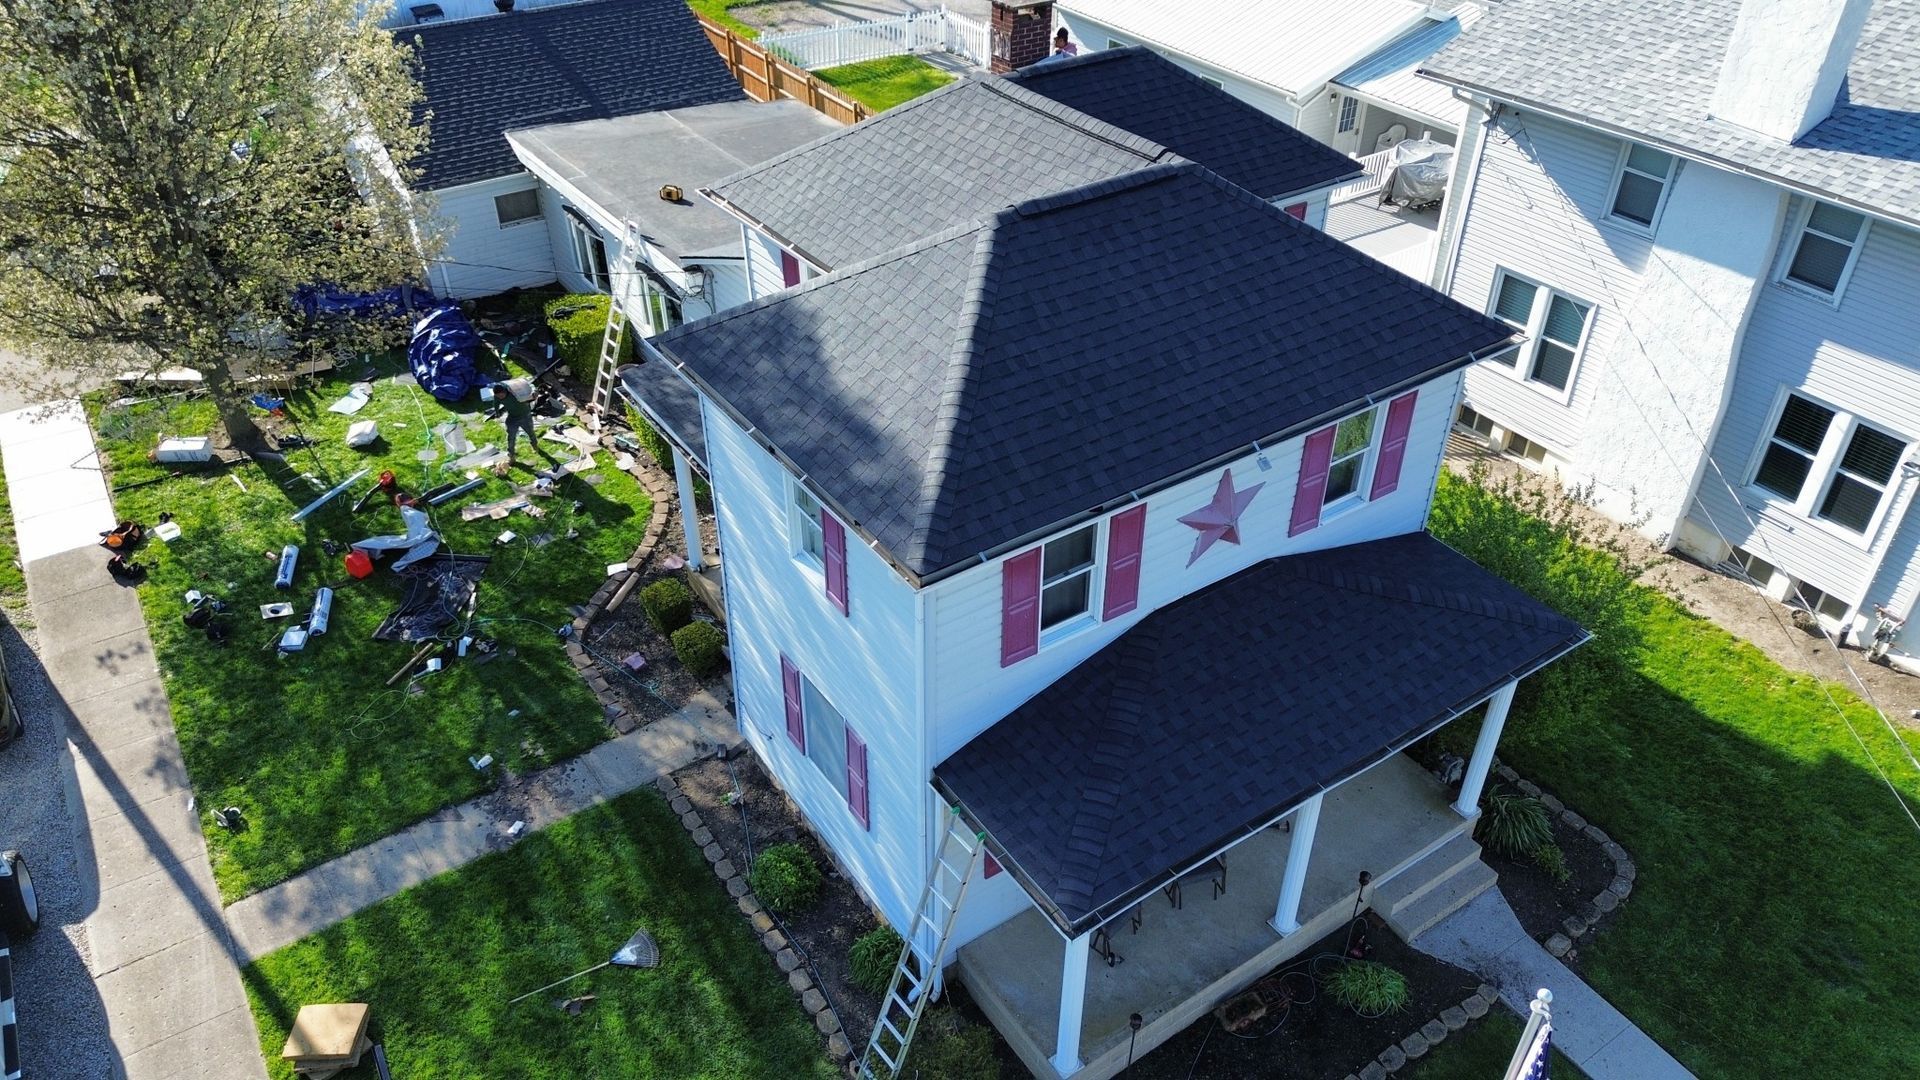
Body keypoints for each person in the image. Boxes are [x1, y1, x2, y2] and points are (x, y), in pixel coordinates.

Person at [484, 377, 557, 465]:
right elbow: (496, 403)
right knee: (511, 438)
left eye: (501, 395)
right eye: (498, 396)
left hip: (525, 416)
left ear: (505, 391)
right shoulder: (497, 397)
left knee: (530, 432)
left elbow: (530, 388)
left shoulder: (515, 394)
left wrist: (533, 395)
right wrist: (497, 412)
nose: (500, 397)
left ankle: (535, 446)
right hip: (512, 418)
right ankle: (512, 456)